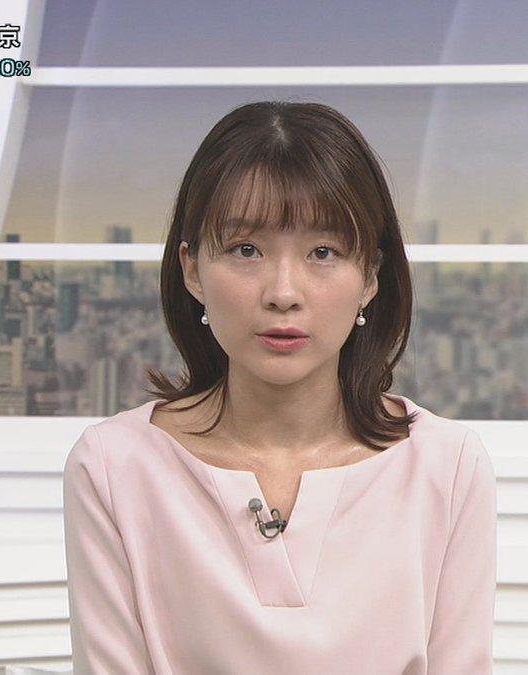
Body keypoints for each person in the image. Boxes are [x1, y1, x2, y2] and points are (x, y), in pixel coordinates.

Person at [63, 100, 496, 674]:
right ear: (192, 269)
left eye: (324, 252)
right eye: (246, 250)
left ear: (370, 276)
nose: (284, 293)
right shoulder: (113, 466)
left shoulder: (447, 467)